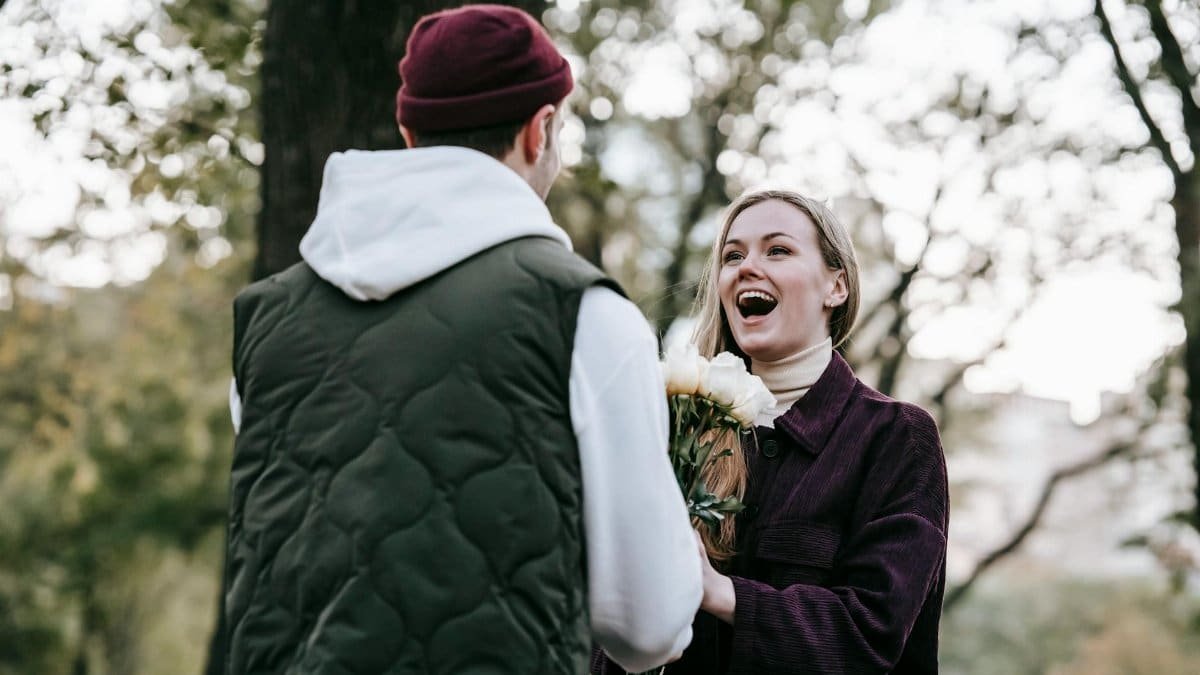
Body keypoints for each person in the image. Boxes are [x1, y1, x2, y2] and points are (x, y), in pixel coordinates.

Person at [223, 5, 701, 673]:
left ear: (408, 130)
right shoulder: (585, 314)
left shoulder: (265, 322)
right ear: (540, 132)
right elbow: (647, 622)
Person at [594, 190, 949, 674]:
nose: (746, 267)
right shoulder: (674, 424)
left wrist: (719, 591)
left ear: (836, 286)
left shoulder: (895, 438)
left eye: (777, 250)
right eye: (732, 255)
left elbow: (871, 634)